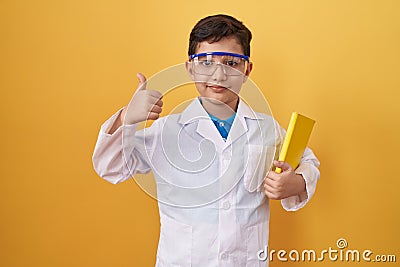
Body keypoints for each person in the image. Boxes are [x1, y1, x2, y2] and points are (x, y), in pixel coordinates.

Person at [92, 14, 320, 267]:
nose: (219, 74)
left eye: (232, 63)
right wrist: (127, 118)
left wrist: (296, 183)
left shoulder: (266, 128)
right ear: (190, 69)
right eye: (207, 62)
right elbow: (109, 167)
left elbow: (307, 161)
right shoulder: (166, 130)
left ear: (247, 71)